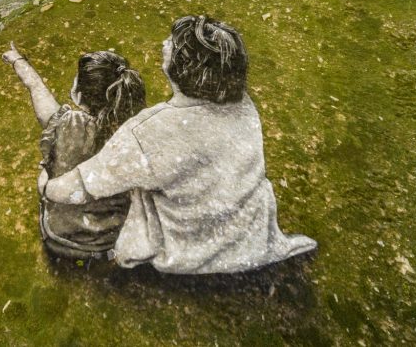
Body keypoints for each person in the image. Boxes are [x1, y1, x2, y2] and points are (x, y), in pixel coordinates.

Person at [43, 16, 317, 274]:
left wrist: (46, 185)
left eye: (171, 44)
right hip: (251, 239)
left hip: (187, 254)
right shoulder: (243, 105)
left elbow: (77, 188)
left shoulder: (147, 131)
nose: (165, 43)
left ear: (181, 67)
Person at [2, 42, 146, 259]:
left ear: (79, 95)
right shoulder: (138, 134)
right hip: (111, 243)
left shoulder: (66, 124)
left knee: (45, 173)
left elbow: (36, 87)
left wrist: (17, 60)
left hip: (60, 240)